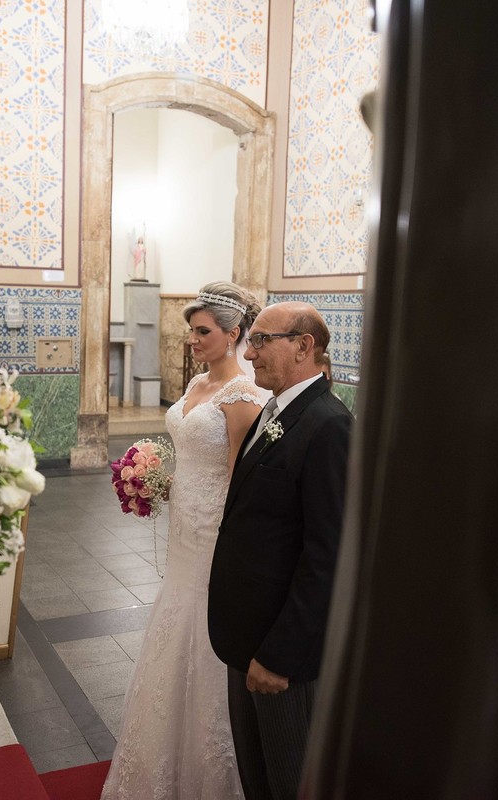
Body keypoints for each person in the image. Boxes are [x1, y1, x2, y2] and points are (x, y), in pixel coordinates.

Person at [101, 282, 270, 800]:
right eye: (192, 331)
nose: (193, 340)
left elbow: (243, 476)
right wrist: (157, 481)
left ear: (233, 333)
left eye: (203, 332)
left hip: (214, 528)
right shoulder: (198, 382)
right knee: (175, 616)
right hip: (184, 524)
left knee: (204, 622)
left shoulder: (243, 395)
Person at [207, 302, 353, 800]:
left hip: (280, 654)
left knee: (290, 782)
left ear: (304, 345)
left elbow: (326, 558)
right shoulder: (275, 410)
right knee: (258, 779)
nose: (249, 353)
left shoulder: (329, 426)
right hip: (246, 639)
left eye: (262, 341)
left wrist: (280, 656)